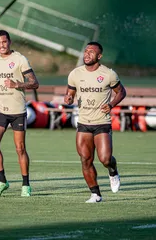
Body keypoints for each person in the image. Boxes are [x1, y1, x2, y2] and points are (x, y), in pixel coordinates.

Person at [64, 41, 126, 203]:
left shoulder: (108, 74)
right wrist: (69, 98)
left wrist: (111, 104)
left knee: (105, 159)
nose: (87, 54)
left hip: (102, 122)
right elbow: (70, 93)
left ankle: (113, 171)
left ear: (99, 56)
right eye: (86, 51)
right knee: (85, 159)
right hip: (84, 123)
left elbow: (121, 92)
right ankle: (95, 194)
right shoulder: (75, 74)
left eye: (91, 52)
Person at [0, 30, 39, 197]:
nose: (2, 45)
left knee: (20, 148)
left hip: (17, 111)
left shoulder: (20, 59)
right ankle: (2, 181)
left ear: (9, 42)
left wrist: (17, 84)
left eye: (4, 42)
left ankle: (25, 185)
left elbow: (34, 83)